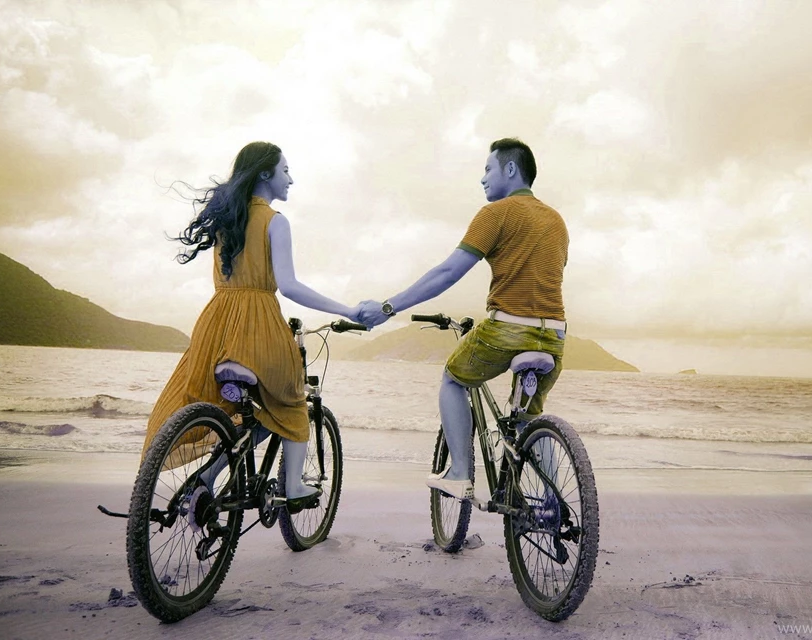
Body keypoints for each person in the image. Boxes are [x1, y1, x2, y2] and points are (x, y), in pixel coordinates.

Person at [143, 141, 360, 513]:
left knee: (240, 414)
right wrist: (348, 309)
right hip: (258, 324)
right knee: (291, 400)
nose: (291, 179)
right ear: (265, 173)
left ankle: (208, 478)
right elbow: (289, 286)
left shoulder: (228, 219)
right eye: (285, 170)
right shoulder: (276, 221)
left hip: (216, 326)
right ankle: (293, 486)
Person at [358, 138, 568, 500]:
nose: (482, 178)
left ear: (511, 169)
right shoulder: (557, 221)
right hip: (554, 337)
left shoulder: (496, 214)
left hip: (506, 331)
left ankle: (458, 474)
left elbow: (447, 274)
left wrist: (389, 307)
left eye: (488, 169)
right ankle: (554, 501)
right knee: (528, 420)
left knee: (453, 379)